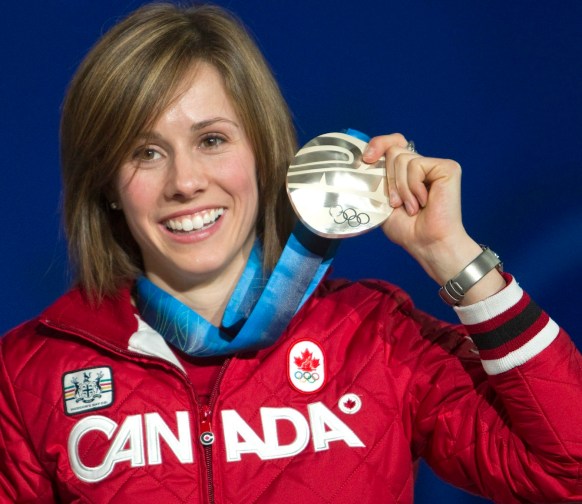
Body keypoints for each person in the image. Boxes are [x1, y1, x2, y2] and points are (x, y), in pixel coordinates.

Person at [0, 3, 580, 503]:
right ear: (105, 184)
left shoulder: (374, 338)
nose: (185, 181)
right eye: (145, 152)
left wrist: (454, 255)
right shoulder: (33, 373)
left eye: (211, 140)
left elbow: (568, 471)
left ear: (262, 150)